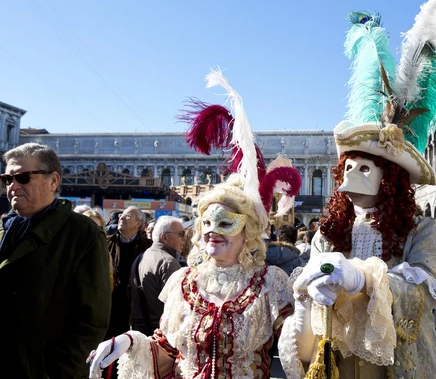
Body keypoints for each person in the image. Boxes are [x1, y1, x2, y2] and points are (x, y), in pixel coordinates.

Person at [280, 0, 436, 378]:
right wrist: (308, 292)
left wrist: (364, 279)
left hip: (395, 365)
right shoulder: (328, 234)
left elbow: (422, 295)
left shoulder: (422, 231)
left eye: (364, 167)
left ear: (390, 178)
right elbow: (311, 284)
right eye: (347, 166)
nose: (351, 175)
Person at [89, 68, 301, 379]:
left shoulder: (270, 283)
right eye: (206, 222)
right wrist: (130, 343)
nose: (213, 229)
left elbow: (298, 347)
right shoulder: (184, 282)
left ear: (248, 230)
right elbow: (168, 351)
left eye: (226, 222)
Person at [0, 143, 111, 378]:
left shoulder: (83, 234)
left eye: (22, 177)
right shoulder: (4, 228)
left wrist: (57, 373)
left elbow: (92, 320)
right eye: (7, 179)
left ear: (53, 181)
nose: (13, 186)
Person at [130, 216, 185, 335]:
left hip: (138, 331)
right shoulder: (168, 262)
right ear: (165, 237)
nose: (184, 239)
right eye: (181, 234)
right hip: (160, 334)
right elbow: (176, 307)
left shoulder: (141, 257)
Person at [105, 206, 152, 340]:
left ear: (138, 223)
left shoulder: (148, 247)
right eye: (121, 215)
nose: (121, 217)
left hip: (136, 307)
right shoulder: (106, 243)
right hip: (111, 306)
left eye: (127, 216)